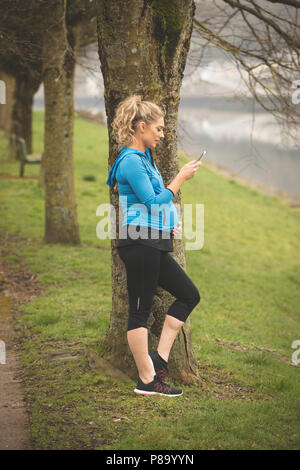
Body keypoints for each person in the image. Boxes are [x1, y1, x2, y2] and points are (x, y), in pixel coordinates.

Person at [106, 95, 201, 397]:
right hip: (139, 242)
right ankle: (147, 380)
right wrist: (181, 178)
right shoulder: (132, 160)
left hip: (154, 242)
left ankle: (158, 360)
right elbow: (150, 201)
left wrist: (170, 221)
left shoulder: (145, 159)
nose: (162, 134)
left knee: (189, 295)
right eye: (158, 129)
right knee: (140, 312)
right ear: (141, 127)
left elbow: (157, 204)